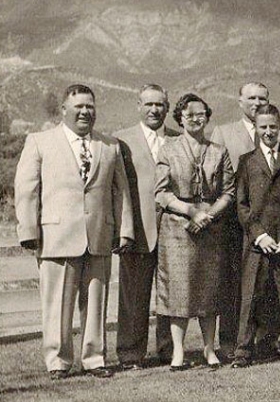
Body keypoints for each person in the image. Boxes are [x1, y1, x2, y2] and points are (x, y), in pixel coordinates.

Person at [14, 84, 134, 379]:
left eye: (89, 107)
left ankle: (95, 359)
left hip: (98, 237)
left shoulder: (110, 146)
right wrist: (28, 229)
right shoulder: (40, 141)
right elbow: (27, 189)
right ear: (64, 110)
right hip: (56, 237)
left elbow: (121, 193)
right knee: (57, 305)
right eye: (78, 106)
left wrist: (125, 230)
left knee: (96, 302)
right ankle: (58, 361)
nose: (85, 112)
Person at [209, 81, 280, 354]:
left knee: (271, 285)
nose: (256, 103)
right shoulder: (222, 133)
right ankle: (232, 342)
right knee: (236, 285)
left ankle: (268, 341)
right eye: (250, 98)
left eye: (261, 98)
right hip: (236, 224)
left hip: (273, 224)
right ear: (239, 100)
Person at [155, 93, 235, 371]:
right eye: (189, 114)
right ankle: (178, 352)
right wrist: (190, 212)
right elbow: (162, 193)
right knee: (179, 291)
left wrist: (208, 214)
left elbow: (228, 191)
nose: (195, 119)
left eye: (201, 114)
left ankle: (209, 349)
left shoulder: (218, 151)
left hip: (211, 230)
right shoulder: (168, 148)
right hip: (178, 229)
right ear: (180, 117)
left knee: (209, 291)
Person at [232, 104, 280, 368]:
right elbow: (241, 204)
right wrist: (259, 235)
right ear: (255, 128)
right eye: (263, 127)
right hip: (257, 244)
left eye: (273, 127)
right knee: (251, 296)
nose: (268, 132)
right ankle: (243, 351)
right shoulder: (246, 161)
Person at [114, 84, 179, 368]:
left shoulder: (179, 140)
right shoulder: (120, 140)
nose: (154, 110)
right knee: (133, 296)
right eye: (149, 104)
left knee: (170, 294)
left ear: (167, 107)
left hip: (174, 231)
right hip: (137, 231)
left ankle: (167, 349)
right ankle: (130, 353)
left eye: (160, 105)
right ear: (138, 105)